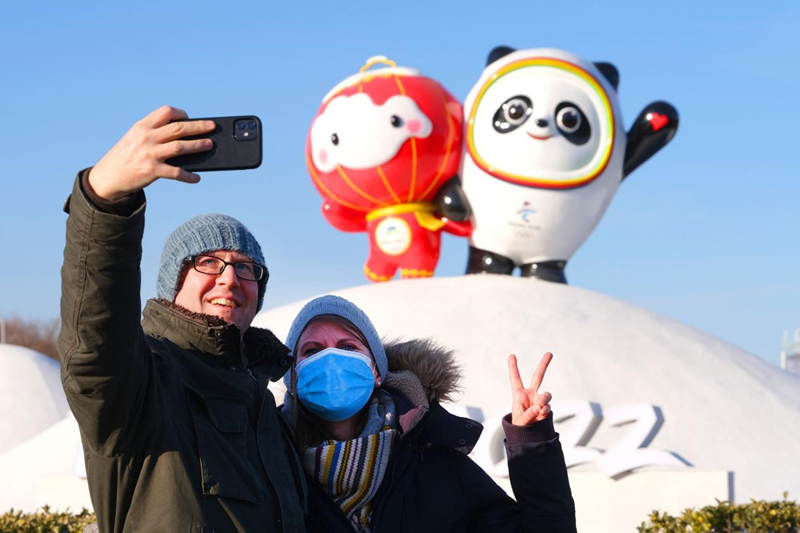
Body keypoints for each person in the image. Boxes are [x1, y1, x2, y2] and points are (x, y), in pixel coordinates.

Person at [59, 105, 306, 532]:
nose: (230, 279)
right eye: (208, 262)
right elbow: (94, 346)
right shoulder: (144, 384)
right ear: (174, 283)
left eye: (246, 268)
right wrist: (104, 202)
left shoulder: (267, 406)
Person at [281, 295, 576, 532]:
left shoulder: (435, 462)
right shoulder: (266, 461)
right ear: (291, 376)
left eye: (348, 347)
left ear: (376, 371)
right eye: (312, 351)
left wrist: (531, 441)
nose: (331, 360)